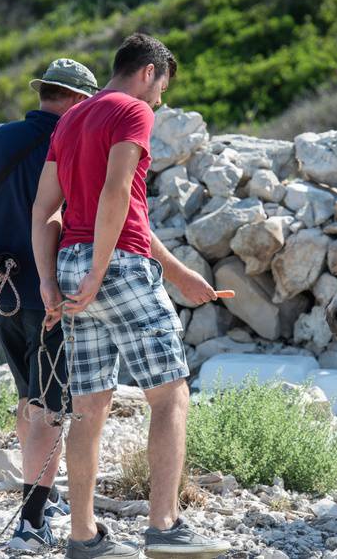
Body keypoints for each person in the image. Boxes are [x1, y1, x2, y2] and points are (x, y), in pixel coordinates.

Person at [30, 35, 227, 559]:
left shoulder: (71, 119)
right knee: (170, 394)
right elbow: (118, 192)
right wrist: (100, 269)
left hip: (71, 268)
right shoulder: (132, 111)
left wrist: (52, 281)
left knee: (89, 407)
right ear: (148, 72)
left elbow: (47, 209)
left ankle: (83, 537)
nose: (160, 100)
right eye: (162, 87)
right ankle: (164, 528)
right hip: (112, 265)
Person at [0, 57, 99, 549]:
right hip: (56, 295)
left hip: (3, 291)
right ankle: (32, 523)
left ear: (44, 92)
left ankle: (42, 494)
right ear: (76, 99)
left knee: (30, 400)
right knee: (52, 410)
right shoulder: (76, 142)